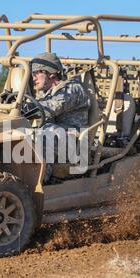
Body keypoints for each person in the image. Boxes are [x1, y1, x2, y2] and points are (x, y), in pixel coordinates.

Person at [27, 53, 91, 183]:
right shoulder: (47, 93)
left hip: (75, 142)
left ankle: (38, 182)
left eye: (36, 73)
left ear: (51, 73)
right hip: (60, 140)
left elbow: (53, 107)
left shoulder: (72, 89)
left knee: (48, 132)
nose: (33, 78)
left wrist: (24, 107)